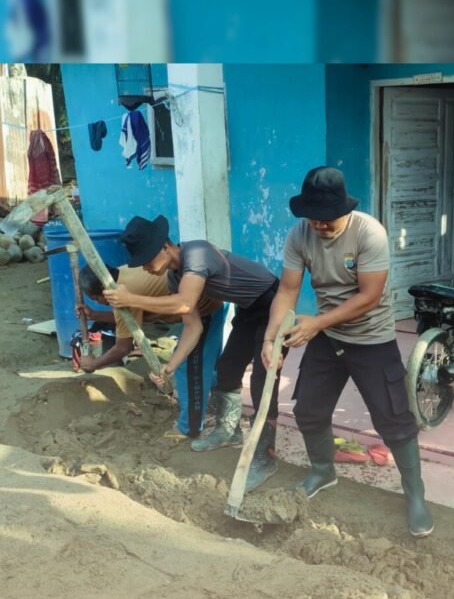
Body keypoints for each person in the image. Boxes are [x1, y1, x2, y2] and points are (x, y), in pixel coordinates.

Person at [261, 166, 433, 538]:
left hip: (372, 338)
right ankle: (323, 472)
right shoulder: (299, 234)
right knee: (308, 409)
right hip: (327, 335)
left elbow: (369, 296)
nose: (319, 224)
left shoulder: (369, 232)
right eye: (313, 217)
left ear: (345, 208)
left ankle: (415, 493)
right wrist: (270, 339)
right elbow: (287, 290)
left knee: (394, 418)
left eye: (327, 217)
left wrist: (316, 323)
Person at [104, 215, 284, 493]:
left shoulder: (197, 252)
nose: (146, 268)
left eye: (148, 260)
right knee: (227, 370)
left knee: (263, 382)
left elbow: (184, 304)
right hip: (249, 309)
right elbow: (193, 326)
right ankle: (229, 431)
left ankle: (265, 456)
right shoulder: (175, 277)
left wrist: (131, 299)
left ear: (166, 247)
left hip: (273, 303)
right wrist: (171, 365)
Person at [77, 263, 226, 441]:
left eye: (96, 298)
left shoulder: (123, 295)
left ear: (104, 289)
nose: (98, 302)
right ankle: (216, 403)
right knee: (208, 363)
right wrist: (96, 315)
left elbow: (123, 347)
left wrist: (93, 364)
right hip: (209, 300)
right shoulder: (122, 275)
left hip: (203, 309)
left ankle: (188, 428)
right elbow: (129, 317)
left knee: (188, 368)